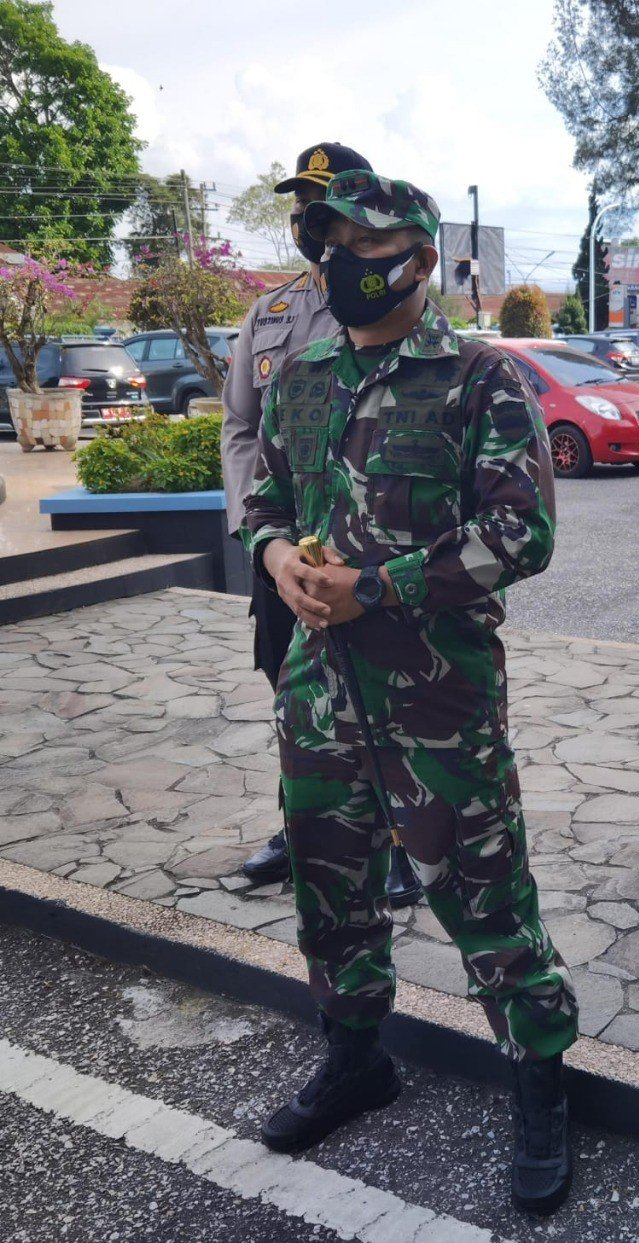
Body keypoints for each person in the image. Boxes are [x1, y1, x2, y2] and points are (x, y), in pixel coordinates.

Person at [242, 169, 577, 1214]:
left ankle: (538, 1078)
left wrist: (373, 585)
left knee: (485, 896)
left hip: (436, 700)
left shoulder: (480, 379)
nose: (335, 256)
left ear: (419, 258)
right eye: (324, 238)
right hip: (318, 692)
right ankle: (356, 1056)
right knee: (330, 887)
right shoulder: (303, 375)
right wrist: (273, 559)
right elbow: (267, 492)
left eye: (359, 240)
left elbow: (521, 535)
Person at [223, 141, 423, 909]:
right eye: (302, 206)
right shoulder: (269, 314)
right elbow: (241, 427)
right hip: (283, 556)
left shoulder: (389, 298)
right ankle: (299, 820)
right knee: (293, 691)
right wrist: (262, 536)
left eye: (323, 203)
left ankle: (400, 840)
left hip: (372, 559)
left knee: (385, 699)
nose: (308, 219)